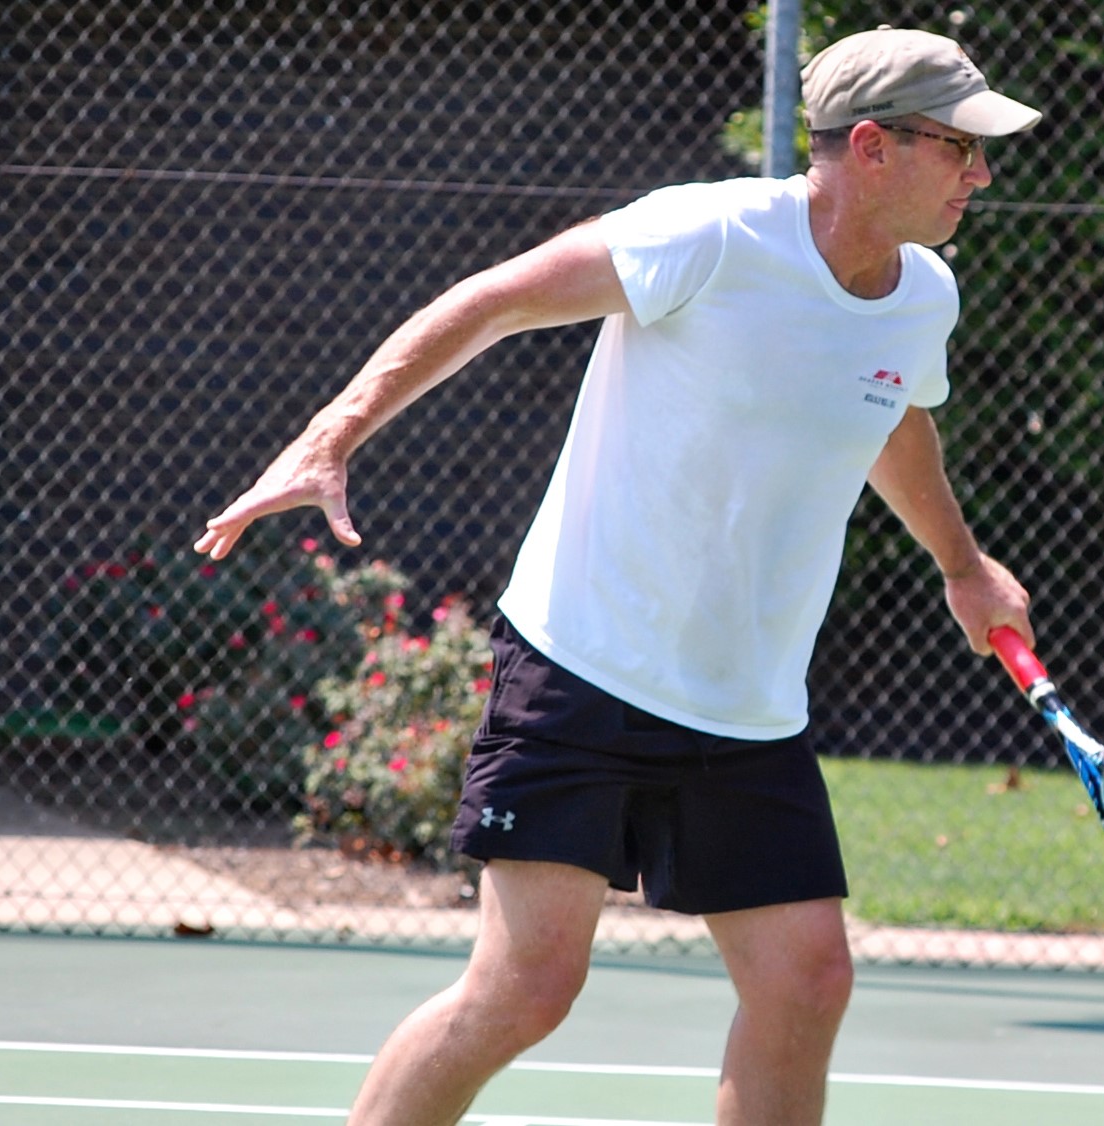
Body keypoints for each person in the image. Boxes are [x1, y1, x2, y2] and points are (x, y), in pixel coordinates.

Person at [192, 28, 1041, 1126]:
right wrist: (333, 432)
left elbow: (891, 420)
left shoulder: (922, 295)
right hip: (583, 664)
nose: (979, 173)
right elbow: (493, 298)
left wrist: (963, 567)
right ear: (871, 147)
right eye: (958, 147)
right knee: (525, 989)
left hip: (748, 707)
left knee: (806, 981)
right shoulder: (706, 233)